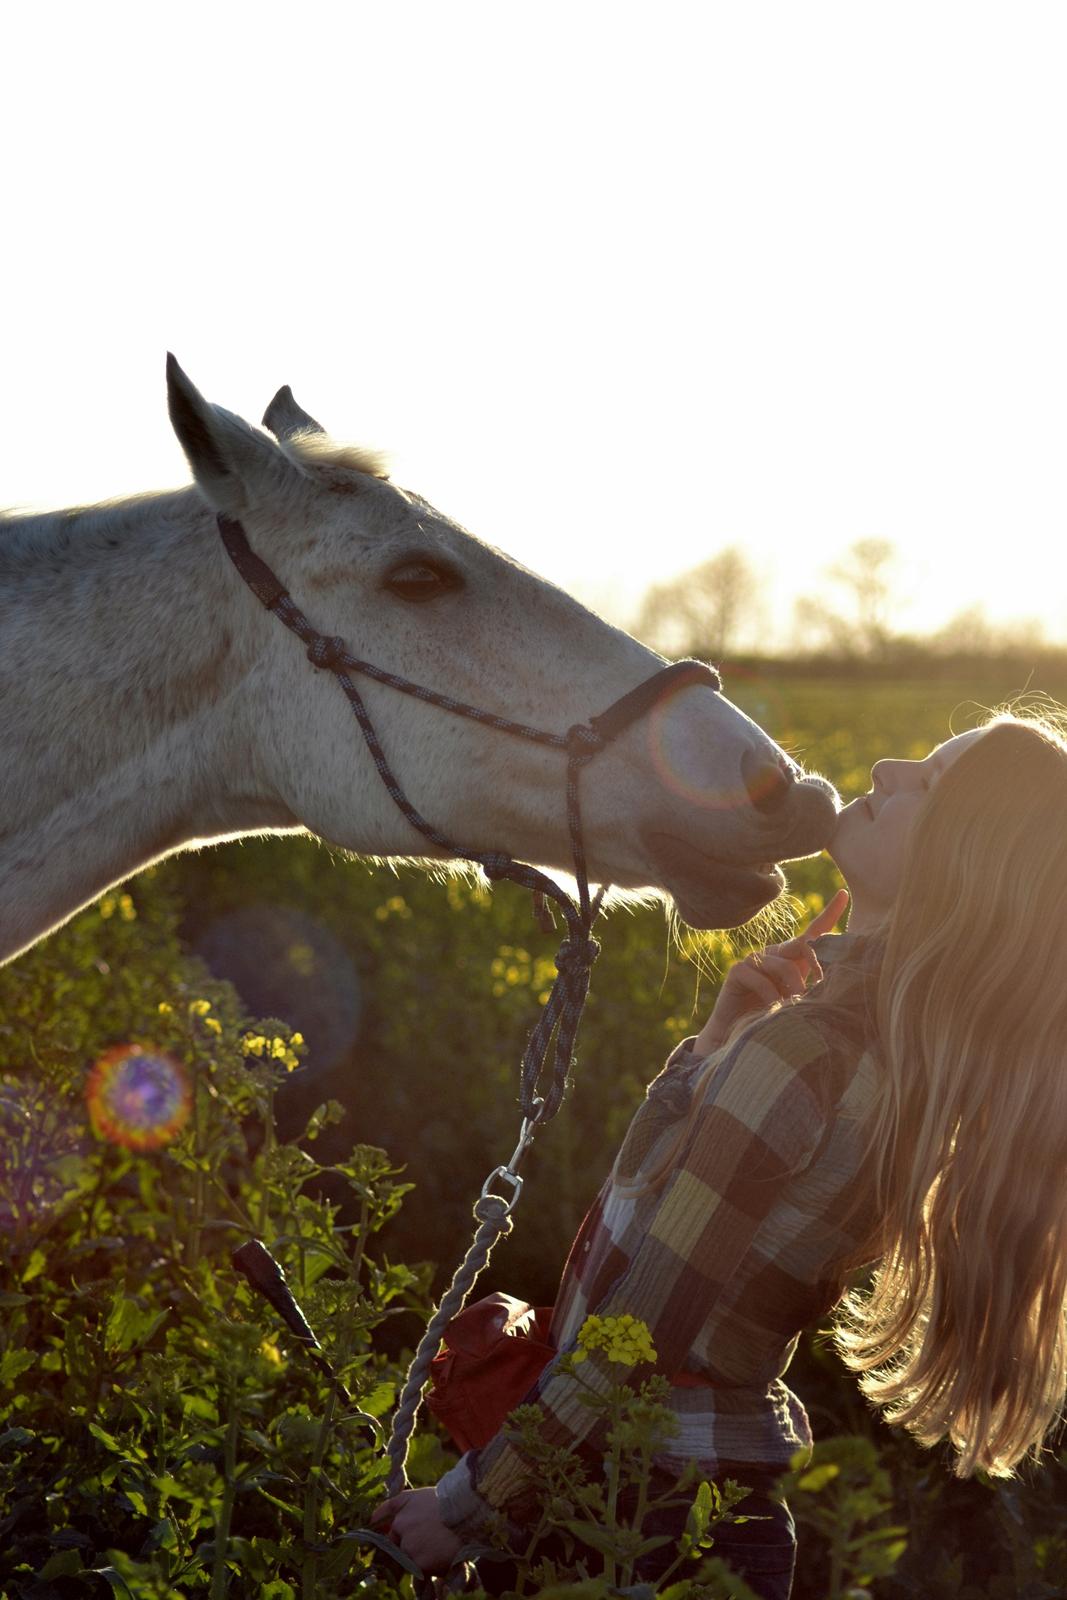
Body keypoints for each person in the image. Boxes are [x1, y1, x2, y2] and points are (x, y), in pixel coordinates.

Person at [374, 711, 1067, 1599]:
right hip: (706, 1507)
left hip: (626, 1508)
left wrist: (468, 1504)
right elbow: (666, 1212)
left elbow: (637, 1333)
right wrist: (718, 1040)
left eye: (928, 783)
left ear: (961, 865)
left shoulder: (803, 1058)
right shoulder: (886, 1059)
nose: (888, 764)